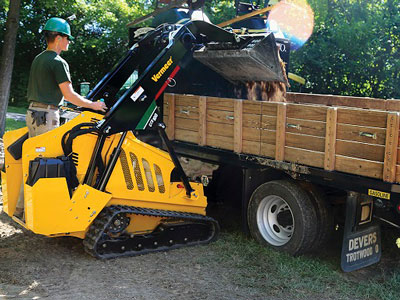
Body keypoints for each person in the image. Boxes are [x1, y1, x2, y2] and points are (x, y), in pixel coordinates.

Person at [13, 17, 107, 219]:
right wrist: (94, 105)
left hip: (33, 113)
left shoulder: (39, 59)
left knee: (34, 161)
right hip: (46, 116)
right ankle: (37, 212)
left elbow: (51, 92)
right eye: (68, 38)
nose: (69, 42)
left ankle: (21, 208)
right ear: (58, 37)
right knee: (47, 163)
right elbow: (69, 94)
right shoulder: (58, 62)